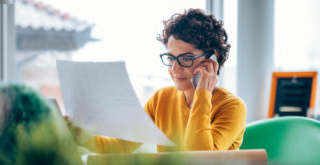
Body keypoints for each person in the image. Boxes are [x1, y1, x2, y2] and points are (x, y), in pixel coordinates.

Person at [66, 8, 246, 153]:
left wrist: (202, 94)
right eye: (170, 58)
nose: (175, 69)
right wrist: (80, 134)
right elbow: (122, 145)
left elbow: (199, 158)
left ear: (212, 60)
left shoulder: (232, 107)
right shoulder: (161, 99)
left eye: (186, 58)